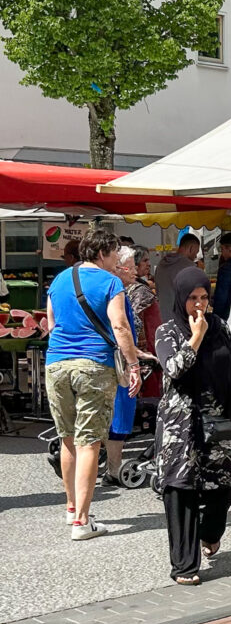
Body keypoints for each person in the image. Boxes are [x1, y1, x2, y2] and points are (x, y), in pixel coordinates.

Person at [154, 267, 231, 584]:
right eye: (192, 298)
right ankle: (184, 566)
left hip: (219, 420)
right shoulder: (167, 332)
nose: (199, 305)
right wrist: (196, 336)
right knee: (181, 490)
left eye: (204, 297)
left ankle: (210, 532)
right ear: (181, 298)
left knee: (223, 488)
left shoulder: (219, 326)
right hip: (181, 426)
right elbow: (175, 369)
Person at [45, 228, 151, 540]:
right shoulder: (110, 282)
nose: (118, 260)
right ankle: (82, 521)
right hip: (93, 365)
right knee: (89, 441)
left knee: (67, 437)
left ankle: (70, 507)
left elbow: (51, 324)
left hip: (56, 364)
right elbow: (120, 325)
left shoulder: (61, 279)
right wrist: (133, 364)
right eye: (116, 254)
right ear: (103, 254)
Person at [104, 246, 144, 485]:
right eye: (130, 266)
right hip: (120, 361)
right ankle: (114, 468)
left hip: (113, 357)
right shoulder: (116, 293)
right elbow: (121, 329)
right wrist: (134, 361)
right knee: (120, 414)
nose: (135, 271)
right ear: (118, 268)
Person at [127, 246, 164, 400]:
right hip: (146, 349)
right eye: (145, 261)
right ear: (134, 265)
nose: (149, 264)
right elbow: (147, 324)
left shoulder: (130, 288)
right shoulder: (141, 292)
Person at [155, 234, 201, 321]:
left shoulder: (161, 264)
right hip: (182, 321)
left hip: (163, 318)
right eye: (196, 252)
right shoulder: (189, 268)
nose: (195, 256)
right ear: (191, 248)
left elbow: (157, 290)